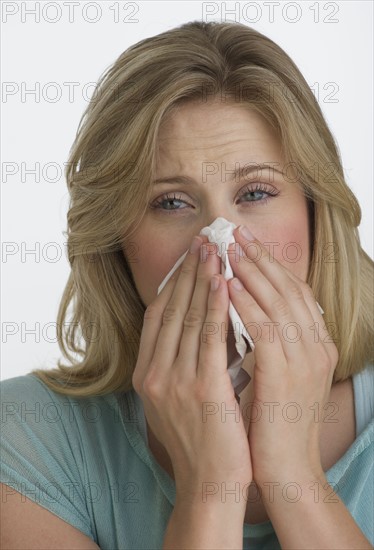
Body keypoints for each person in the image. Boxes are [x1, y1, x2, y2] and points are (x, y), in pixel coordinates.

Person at [1, 20, 373, 550]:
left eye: (257, 192)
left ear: (316, 215)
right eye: (172, 202)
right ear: (117, 242)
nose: (219, 242)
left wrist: (294, 477)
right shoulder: (26, 437)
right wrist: (209, 491)